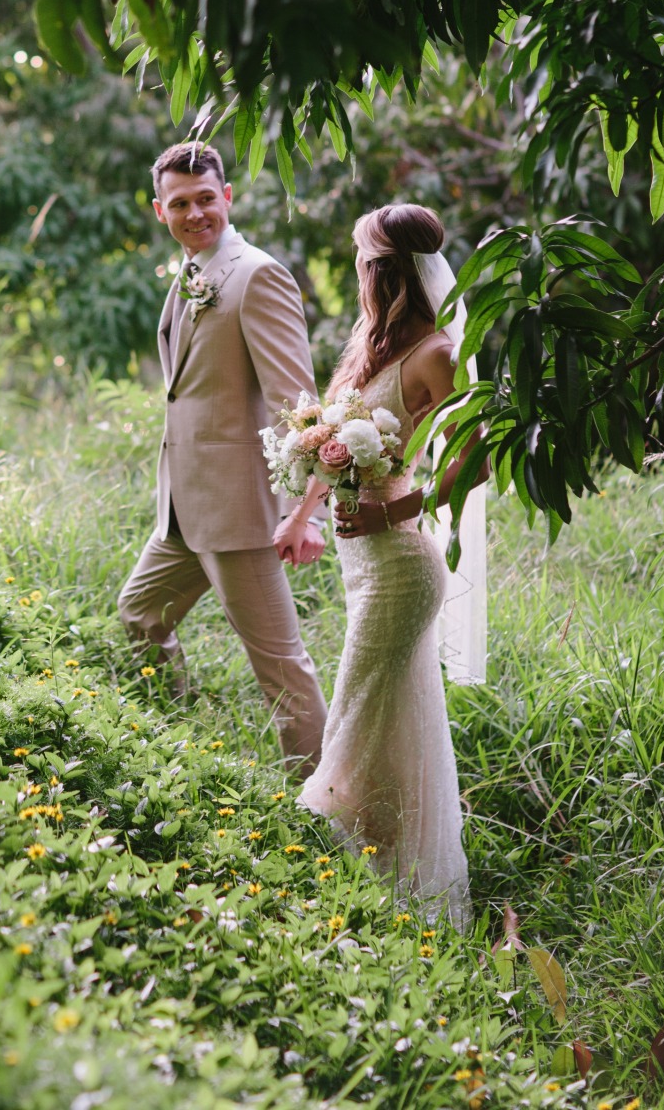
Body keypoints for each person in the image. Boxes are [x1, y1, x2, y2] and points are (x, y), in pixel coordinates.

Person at [274, 203, 480, 927]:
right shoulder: (371, 342)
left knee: (358, 711)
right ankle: (383, 862)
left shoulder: (435, 353)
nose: (361, 268)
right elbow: (328, 441)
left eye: (364, 257)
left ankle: (326, 846)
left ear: (381, 266)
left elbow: (477, 454)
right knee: (390, 720)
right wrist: (301, 518)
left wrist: (394, 510)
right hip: (361, 562)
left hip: (401, 562)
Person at [116, 141, 329, 776]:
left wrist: (302, 512)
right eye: (180, 203)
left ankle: (319, 808)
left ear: (227, 197)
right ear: (161, 211)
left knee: (281, 667)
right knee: (141, 613)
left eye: (206, 198)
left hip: (240, 511)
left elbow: (299, 402)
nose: (195, 213)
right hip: (185, 507)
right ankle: (172, 752)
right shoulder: (190, 273)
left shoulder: (256, 274)